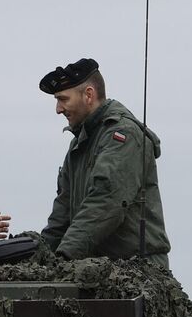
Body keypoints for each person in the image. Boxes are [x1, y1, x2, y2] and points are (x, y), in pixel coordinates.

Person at [38, 58, 168, 261]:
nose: (58, 109)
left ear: (89, 94)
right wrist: (41, 256)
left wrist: (64, 256)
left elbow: (106, 200)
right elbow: (61, 215)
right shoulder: (80, 144)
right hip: (92, 266)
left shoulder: (123, 136)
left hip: (134, 271)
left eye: (63, 99)